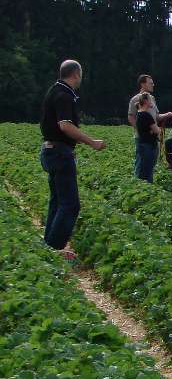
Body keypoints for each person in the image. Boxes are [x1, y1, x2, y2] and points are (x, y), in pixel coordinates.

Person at [39, 60, 106, 258]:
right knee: (70, 204)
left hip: (50, 150)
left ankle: (49, 247)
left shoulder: (54, 91)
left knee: (58, 201)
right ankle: (55, 249)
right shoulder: (64, 95)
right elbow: (65, 126)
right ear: (76, 74)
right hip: (60, 153)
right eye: (81, 74)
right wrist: (91, 142)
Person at [127, 73, 172, 176]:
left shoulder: (151, 98)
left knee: (151, 164)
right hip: (142, 138)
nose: (153, 85)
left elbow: (156, 117)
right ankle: (139, 185)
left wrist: (167, 114)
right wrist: (141, 130)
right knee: (141, 164)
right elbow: (131, 117)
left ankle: (146, 182)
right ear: (142, 84)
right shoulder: (135, 99)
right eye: (150, 83)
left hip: (153, 137)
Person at [133, 93, 161, 183]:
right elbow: (157, 131)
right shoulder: (146, 115)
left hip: (143, 144)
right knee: (148, 172)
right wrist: (156, 130)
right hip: (149, 146)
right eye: (150, 100)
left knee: (143, 170)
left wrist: (151, 130)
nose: (151, 101)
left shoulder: (139, 113)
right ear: (145, 101)